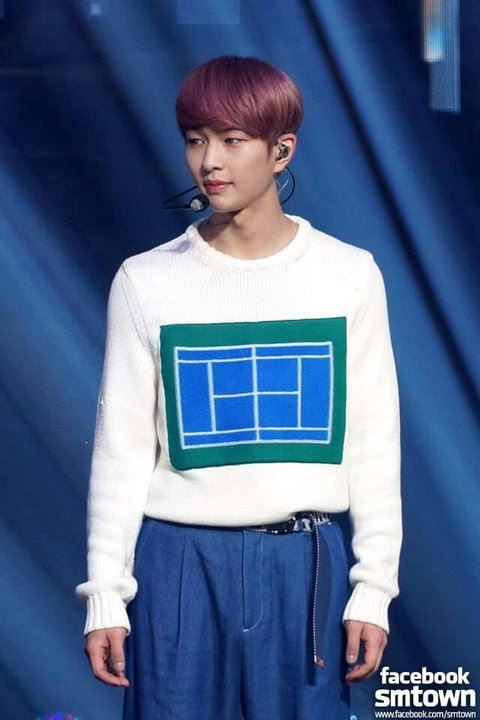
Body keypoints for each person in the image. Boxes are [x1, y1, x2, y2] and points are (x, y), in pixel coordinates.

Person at [75, 54, 402, 719]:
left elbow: (373, 441)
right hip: (178, 563)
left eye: (232, 139)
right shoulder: (147, 281)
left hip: (303, 564)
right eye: (195, 139)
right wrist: (105, 593)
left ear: (282, 150)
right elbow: (121, 450)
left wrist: (374, 587)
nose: (209, 161)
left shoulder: (348, 276)